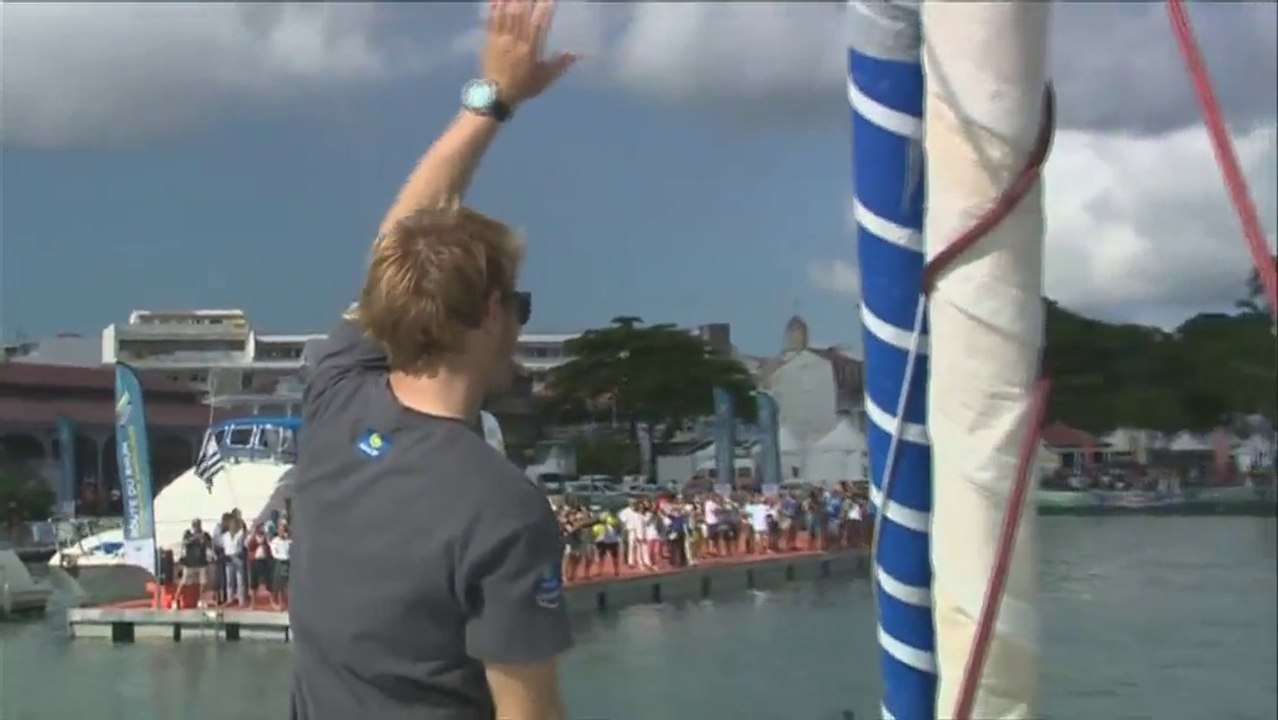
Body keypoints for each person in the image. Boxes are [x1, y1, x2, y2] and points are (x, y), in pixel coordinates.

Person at [288, 3, 577, 719]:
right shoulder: (504, 510)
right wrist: (496, 96)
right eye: (519, 306)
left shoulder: (336, 402)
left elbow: (400, 238)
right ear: (490, 313)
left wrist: (490, 99)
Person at [172, 519, 213, 609]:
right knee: (183, 582)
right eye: (195, 525)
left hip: (201, 562)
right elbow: (184, 543)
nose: (197, 527)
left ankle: (201, 600)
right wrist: (194, 538)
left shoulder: (205, 534)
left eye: (198, 525)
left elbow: (210, 545)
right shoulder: (188, 533)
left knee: (203, 582)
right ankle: (175, 600)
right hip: (190, 563)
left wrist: (203, 540)